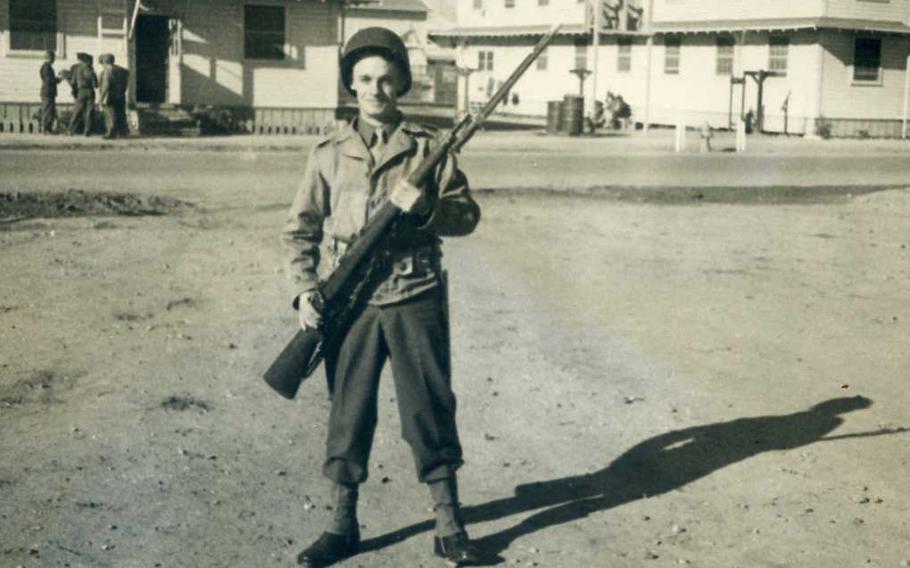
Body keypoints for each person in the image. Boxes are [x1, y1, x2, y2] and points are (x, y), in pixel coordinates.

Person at [281, 27, 483, 567]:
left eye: (388, 80)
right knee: (349, 413)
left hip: (415, 291)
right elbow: (300, 230)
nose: (376, 90)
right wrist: (304, 290)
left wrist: (428, 212)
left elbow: (466, 216)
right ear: (351, 85)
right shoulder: (327, 152)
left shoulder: (426, 149)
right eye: (366, 79)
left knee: (430, 410)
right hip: (350, 302)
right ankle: (341, 525)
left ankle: (449, 525)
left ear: (402, 87)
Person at [98, 53, 130, 138]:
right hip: (121, 95)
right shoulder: (123, 70)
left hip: (110, 96)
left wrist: (100, 99)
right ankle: (123, 132)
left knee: (110, 115)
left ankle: (111, 133)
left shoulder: (107, 71)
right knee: (121, 114)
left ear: (105, 61)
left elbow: (106, 85)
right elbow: (126, 83)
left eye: (102, 62)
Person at [69, 53, 97, 136]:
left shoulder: (76, 69)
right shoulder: (89, 69)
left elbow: (73, 82)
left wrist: (74, 91)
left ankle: (71, 129)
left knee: (77, 111)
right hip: (89, 91)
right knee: (89, 112)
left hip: (80, 91)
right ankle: (87, 131)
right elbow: (95, 83)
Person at [39, 50, 62, 134]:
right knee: (48, 110)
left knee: (50, 110)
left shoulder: (47, 67)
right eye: (53, 58)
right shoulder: (46, 67)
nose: (54, 60)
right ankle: (46, 128)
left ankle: (48, 128)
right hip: (48, 91)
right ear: (50, 58)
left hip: (49, 92)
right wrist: (58, 79)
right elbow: (49, 80)